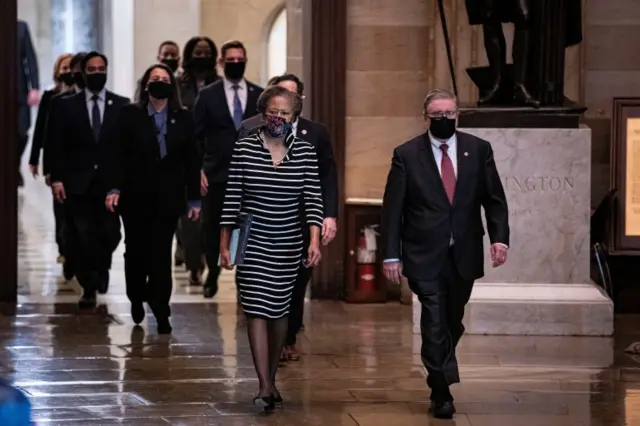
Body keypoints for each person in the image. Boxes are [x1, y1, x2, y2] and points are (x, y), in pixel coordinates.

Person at [380, 89, 509, 419]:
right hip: (423, 252)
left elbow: (493, 198)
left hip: (464, 251)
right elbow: (393, 210)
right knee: (434, 317)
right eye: (437, 115)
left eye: (449, 114)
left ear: (458, 115)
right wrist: (391, 254)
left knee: (452, 318)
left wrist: (499, 239)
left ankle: (439, 365)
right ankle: (441, 390)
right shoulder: (406, 154)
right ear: (425, 118)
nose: (444, 119)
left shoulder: (478, 150)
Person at [219, 85, 323, 410]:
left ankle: (272, 377)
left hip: (289, 242)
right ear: (263, 112)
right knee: (255, 309)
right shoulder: (245, 148)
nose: (278, 117)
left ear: (295, 117)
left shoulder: (305, 151)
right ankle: (264, 384)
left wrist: (314, 240)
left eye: (285, 113)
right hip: (251, 240)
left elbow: (313, 201)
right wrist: (225, 245)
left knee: (279, 311)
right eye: (273, 111)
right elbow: (231, 198)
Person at [238, 73, 339, 362]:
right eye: (281, 94)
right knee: (256, 288)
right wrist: (231, 238)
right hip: (256, 224)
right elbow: (237, 185)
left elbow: (326, 177)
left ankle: (287, 338)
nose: (285, 102)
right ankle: (263, 344)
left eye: (292, 97)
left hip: (300, 223)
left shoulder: (315, 134)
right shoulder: (249, 130)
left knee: (294, 283)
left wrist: (327, 217)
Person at [105, 63, 201, 334]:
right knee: (136, 252)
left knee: (161, 256)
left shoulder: (183, 117)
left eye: (164, 78)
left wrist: (194, 198)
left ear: (171, 84)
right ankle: (136, 296)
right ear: (145, 84)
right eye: (154, 78)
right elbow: (116, 155)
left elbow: (192, 160)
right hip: (134, 197)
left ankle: (161, 310)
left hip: (168, 198)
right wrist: (113, 189)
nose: (159, 82)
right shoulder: (128, 115)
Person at [48, 51, 129, 308]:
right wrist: (57, 179)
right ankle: (89, 286)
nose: (96, 73)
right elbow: (55, 144)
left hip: (109, 184)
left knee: (111, 233)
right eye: (91, 70)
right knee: (81, 236)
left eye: (100, 69)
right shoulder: (65, 105)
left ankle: (102, 266)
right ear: (83, 73)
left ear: (106, 70)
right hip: (77, 182)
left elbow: (125, 149)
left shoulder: (122, 105)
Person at [195, 39, 263, 298]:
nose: (236, 64)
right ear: (222, 63)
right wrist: (199, 168)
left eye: (240, 60)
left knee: (245, 225)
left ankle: (242, 278)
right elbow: (196, 135)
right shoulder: (208, 95)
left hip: (250, 174)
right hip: (216, 172)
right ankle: (213, 270)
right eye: (230, 60)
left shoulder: (258, 95)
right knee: (212, 224)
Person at [174, 36, 219, 285]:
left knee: (210, 216)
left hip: (213, 157)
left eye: (206, 52)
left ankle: (207, 257)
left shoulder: (220, 85)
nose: (201, 56)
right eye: (197, 52)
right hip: (184, 157)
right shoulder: (178, 87)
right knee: (189, 217)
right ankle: (193, 263)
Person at [41, 51, 87, 282]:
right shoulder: (54, 99)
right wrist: (47, 168)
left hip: (88, 172)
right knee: (65, 218)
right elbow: (48, 136)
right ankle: (67, 253)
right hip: (65, 171)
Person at [27, 53, 73, 265]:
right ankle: (63, 247)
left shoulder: (82, 97)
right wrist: (34, 158)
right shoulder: (49, 97)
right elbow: (40, 131)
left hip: (78, 161)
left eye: (71, 68)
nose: (67, 71)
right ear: (57, 71)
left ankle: (75, 249)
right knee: (60, 208)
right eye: (64, 68)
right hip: (56, 161)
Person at [17, 19, 40, 187]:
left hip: (19, 90)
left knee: (22, 131)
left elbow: (30, 58)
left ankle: (14, 164)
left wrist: (35, 88)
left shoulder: (21, 27)